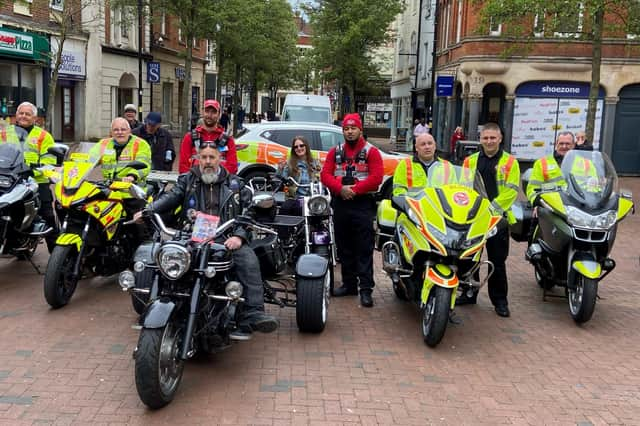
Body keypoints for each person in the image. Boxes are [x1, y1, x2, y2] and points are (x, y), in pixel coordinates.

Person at [133, 144, 279, 339]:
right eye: (204, 157)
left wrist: (239, 236)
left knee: (248, 258)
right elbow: (171, 197)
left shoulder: (236, 184)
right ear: (198, 159)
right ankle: (159, 302)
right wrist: (149, 209)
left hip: (225, 236)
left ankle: (253, 313)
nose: (207, 162)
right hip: (192, 237)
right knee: (163, 255)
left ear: (220, 159)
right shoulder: (188, 180)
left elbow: (248, 212)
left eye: (212, 157)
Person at [320, 113, 383, 307]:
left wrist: (353, 191)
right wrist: (340, 189)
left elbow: (376, 178)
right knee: (344, 246)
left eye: (353, 128)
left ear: (360, 129)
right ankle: (349, 285)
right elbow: (325, 175)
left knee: (363, 248)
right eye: (346, 128)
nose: (349, 131)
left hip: (362, 204)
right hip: (341, 204)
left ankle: (365, 289)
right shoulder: (335, 152)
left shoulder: (372, 152)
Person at [458, 122, 520, 318]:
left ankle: (500, 301)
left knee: (497, 262)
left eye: (493, 138)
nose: (489, 141)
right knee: (469, 259)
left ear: (500, 138)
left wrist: (491, 209)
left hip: (497, 220)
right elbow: (462, 188)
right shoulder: (470, 161)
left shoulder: (511, 162)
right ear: (480, 139)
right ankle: (469, 293)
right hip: (473, 219)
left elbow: (511, 191)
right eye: (485, 138)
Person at [1, 102, 58, 252]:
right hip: (10, 179)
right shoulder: (5, 133)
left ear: (35, 118)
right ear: (16, 115)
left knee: (48, 216)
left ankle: (59, 257)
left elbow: (50, 160)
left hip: (36, 181)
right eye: (21, 113)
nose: (23, 116)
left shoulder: (44, 136)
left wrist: (34, 170)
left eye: (28, 114)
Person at [179, 99, 238, 174]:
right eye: (207, 111)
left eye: (213, 112)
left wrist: (217, 179)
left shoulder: (228, 140)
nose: (210, 115)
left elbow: (233, 166)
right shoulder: (189, 138)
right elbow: (183, 166)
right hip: (195, 183)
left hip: (220, 183)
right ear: (203, 113)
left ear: (219, 114)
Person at [526, 131, 581, 203]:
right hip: (551, 205)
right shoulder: (541, 163)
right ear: (556, 144)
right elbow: (533, 189)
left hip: (579, 205)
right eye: (561, 143)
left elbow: (594, 188)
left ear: (573, 145)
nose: (564, 146)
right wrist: (537, 202)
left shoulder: (585, 163)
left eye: (567, 144)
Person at [278, 136, 321, 215]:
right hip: (296, 198)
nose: (299, 148)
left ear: (306, 146)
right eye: (296, 147)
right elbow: (282, 179)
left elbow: (321, 179)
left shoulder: (315, 163)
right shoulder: (290, 164)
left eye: (301, 145)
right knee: (287, 209)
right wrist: (280, 170)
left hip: (313, 198)